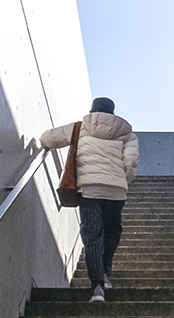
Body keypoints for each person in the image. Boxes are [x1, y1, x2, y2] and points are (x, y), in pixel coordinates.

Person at [36, 95, 138, 303]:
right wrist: (121, 180)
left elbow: (48, 139)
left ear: (93, 111)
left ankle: (97, 286)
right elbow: (131, 163)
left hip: (89, 190)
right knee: (112, 231)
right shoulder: (127, 134)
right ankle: (105, 271)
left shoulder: (80, 127)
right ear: (112, 112)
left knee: (93, 236)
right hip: (116, 191)